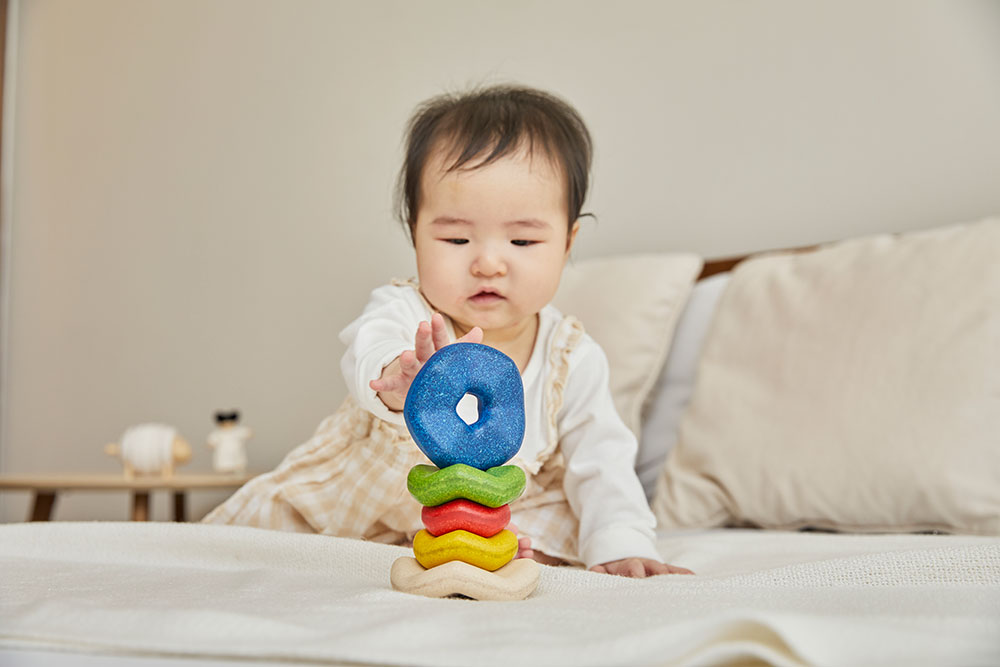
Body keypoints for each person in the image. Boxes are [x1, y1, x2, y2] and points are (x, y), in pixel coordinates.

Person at [203, 84, 692, 578]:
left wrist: (621, 545)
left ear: (567, 243)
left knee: (545, 516)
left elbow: (602, 462)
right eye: (457, 238)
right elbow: (369, 345)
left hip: (493, 512)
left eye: (522, 240)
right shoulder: (405, 310)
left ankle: (503, 551)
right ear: (414, 233)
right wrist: (397, 377)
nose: (488, 263)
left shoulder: (572, 358)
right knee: (262, 545)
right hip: (368, 509)